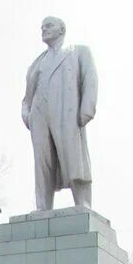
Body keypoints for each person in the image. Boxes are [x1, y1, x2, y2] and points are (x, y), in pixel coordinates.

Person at [22, 15, 97, 210]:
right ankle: (43, 207)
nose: (44, 30)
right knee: (43, 162)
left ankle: (83, 203)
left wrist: (86, 110)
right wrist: (27, 114)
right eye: (42, 27)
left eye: (48, 26)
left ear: (61, 29)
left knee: (74, 159)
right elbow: (28, 95)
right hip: (40, 115)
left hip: (67, 113)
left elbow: (90, 80)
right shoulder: (37, 62)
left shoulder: (78, 52)